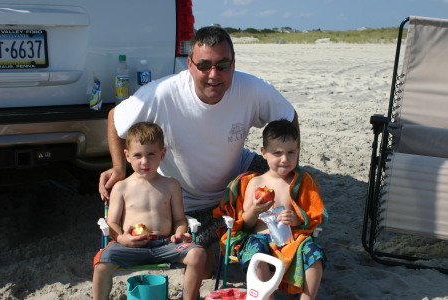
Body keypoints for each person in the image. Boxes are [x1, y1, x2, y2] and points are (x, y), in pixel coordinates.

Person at [98, 25, 299, 277]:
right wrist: (119, 167)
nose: (213, 74)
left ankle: (277, 243)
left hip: (237, 187)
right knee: (203, 269)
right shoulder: (162, 93)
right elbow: (115, 118)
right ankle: (227, 237)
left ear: (233, 64)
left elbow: (289, 117)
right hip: (188, 201)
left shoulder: (252, 88)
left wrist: (289, 168)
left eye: (222, 65)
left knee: (293, 182)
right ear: (190, 65)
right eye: (204, 65)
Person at [213, 119, 327, 300]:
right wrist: (256, 210)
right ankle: (268, 297)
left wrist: (297, 219)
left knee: (315, 253)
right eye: (277, 153)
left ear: (298, 152)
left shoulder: (300, 181)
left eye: (291, 153)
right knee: (254, 252)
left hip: (290, 239)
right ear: (264, 153)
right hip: (259, 236)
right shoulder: (254, 182)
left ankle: (307, 298)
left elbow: (313, 214)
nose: (285, 159)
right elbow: (246, 224)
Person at [93, 122, 205, 300]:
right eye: (137, 155)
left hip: (165, 244)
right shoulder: (121, 187)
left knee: (197, 253)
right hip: (130, 245)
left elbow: (179, 220)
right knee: (101, 263)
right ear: (127, 156)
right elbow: (112, 222)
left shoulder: (171, 185)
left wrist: (179, 234)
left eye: (151, 154)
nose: (144, 161)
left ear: (162, 154)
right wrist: (123, 238)